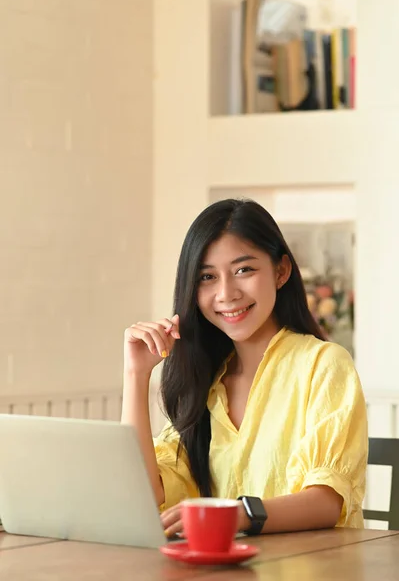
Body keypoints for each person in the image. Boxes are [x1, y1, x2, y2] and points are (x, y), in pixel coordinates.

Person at [121, 199, 368, 538]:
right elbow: (145, 496)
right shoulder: (207, 382)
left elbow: (326, 501)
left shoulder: (324, 364)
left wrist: (238, 514)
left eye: (243, 270)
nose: (226, 293)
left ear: (281, 271)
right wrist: (136, 375)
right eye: (207, 277)